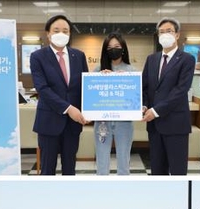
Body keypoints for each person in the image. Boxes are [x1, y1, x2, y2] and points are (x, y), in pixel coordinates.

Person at [30, 15, 89, 175]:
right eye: (56, 30)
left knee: (70, 168)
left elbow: (86, 86)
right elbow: (42, 88)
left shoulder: (79, 56)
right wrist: (69, 108)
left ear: (70, 34)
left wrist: (90, 108)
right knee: (47, 168)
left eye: (65, 30)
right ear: (48, 33)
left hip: (73, 125)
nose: (61, 34)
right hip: (49, 121)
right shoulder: (38, 57)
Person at [142, 17, 196, 175]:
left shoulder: (187, 59)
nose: (165, 34)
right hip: (154, 127)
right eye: (161, 32)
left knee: (178, 171)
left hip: (176, 125)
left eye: (169, 31)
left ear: (177, 35)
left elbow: (180, 90)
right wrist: (144, 105)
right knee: (157, 171)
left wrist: (156, 111)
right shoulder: (152, 59)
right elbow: (145, 87)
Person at [94, 32, 135, 175]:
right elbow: (92, 97)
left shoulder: (131, 71)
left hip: (124, 123)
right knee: (102, 161)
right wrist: (101, 79)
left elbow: (135, 99)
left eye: (117, 46)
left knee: (124, 160)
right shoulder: (98, 70)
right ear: (105, 50)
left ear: (123, 48)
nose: (113, 49)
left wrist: (126, 81)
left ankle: (123, 191)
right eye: (110, 47)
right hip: (102, 123)